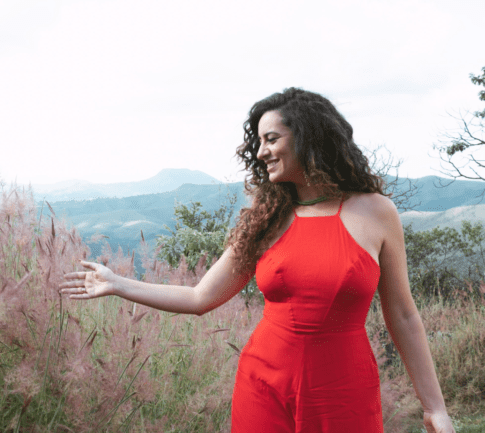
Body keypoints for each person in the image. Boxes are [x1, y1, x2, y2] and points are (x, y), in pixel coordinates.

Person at [59, 88, 455, 433]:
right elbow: (201, 298)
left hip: (343, 390)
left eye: (271, 139)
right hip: (264, 384)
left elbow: (402, 315)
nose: (261, 151)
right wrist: (117, 283)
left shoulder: (376, 212)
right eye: (259, 142)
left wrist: (434, 406)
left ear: (309, 139)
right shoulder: (266, 216)